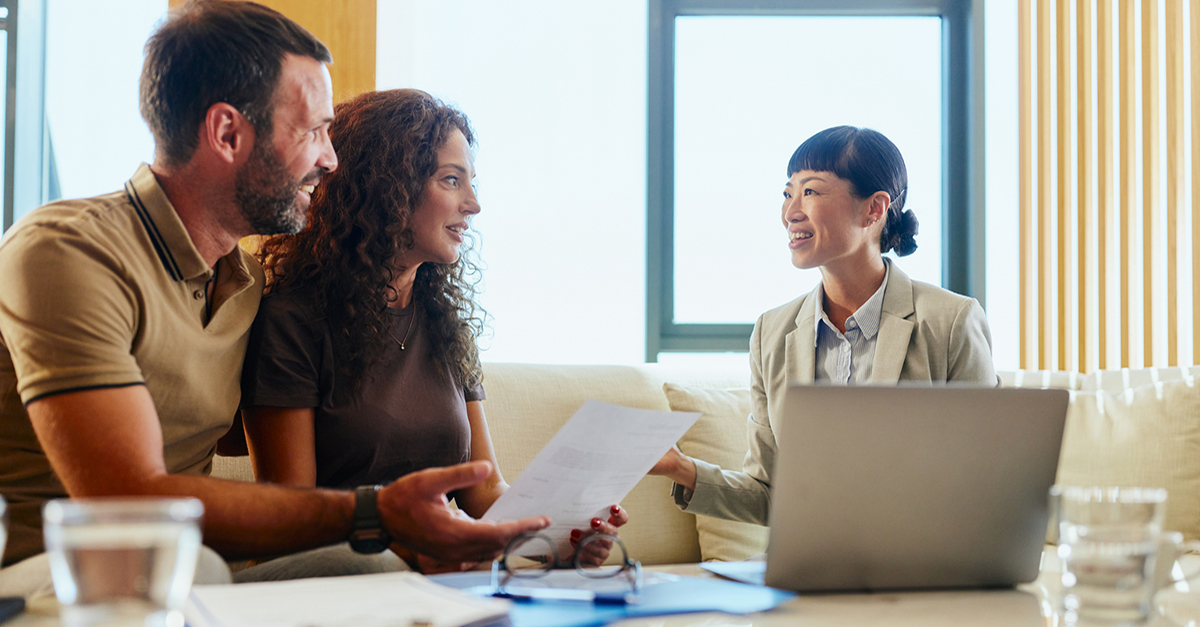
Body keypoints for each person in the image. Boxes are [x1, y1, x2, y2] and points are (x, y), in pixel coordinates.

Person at [0, 0, 546, 597]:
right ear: (228, 133)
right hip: (56, 573)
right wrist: (378, 514)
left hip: (195, 572)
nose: (330, 159)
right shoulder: (67, 251)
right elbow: (127, 499)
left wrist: (544, 529)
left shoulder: (246, 284)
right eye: (312, 130)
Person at [238, 89, 627, 579]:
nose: (474, 204)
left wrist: (561, 536)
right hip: (340, 580)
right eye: (451, 180)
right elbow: (288, 523)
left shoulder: (446, 324)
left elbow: (484, 492)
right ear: (388, 189)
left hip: (440, 580)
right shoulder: (292, 322)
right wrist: (408, 550)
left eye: (471, 183)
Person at [649, 125, 998, 526]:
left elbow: (984, 483)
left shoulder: (950, 322)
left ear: (874, 208)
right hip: (810, 569)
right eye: (787, 193)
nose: (790, 211)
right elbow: (771, 495)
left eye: (810, 191)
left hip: (919, 566)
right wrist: (682, 468)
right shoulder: (772, 333)